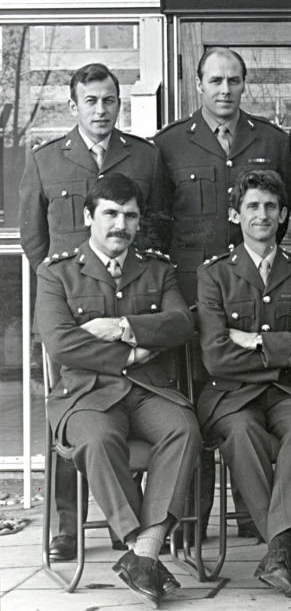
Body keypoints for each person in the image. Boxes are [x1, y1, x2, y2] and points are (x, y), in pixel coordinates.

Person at [19, 63, 166, 562]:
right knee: (72, 407)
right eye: (91, 101)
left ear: (119, 103)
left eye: (109, 100)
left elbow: (158, 226)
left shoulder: (145, 157)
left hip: (132, 298)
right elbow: (34, 241)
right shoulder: (45, 161)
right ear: (73, 105)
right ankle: (66, 526)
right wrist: (61, 298)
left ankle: (149, 522)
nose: (100, 110)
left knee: (138, 405)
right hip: (75, 313)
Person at [36, 174, 200, 607]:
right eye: (110, 213)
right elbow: (60, 343)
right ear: (90, 216)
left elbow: (182, 323)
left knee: (184, 428)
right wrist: (132, 354)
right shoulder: (58, 273)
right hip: (85, 394)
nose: (119, 225)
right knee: (98, 439)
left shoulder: (157, 268)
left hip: (148, 391)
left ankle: (141, 554)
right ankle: (143, 547)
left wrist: (122, 326)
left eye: (129, 215)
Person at [154, 46, 291, 542]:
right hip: (195, 297)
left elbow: (283, 209)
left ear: (244, 85)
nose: (225, 89)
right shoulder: (169, 145)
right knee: (196, 402)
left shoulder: (273, 140)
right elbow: (158, 223)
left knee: (249, 399)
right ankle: (192, 519)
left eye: (234, 80)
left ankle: (253, 516)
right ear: (199, 85)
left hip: (260, 291)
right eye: (215, 80)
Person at [195, 169, 291, 596]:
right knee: (240, 430)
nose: (262, 215)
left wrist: (255, 341)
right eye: (252, 206)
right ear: (236, 215)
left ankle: (277, 552)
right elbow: (216, 354)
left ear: (284, 214)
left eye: (271, 207)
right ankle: (284, 550)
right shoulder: (215, 275)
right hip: (232, 397)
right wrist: (288, 346)